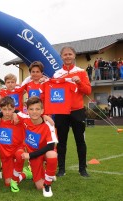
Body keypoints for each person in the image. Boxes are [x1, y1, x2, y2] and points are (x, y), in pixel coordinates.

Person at [53, 46, 92, 177]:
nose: (68, 56)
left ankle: (82, 169)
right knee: (61, 142)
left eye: (70, 54)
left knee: (80, 140)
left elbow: (88, 91)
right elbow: (52, 92)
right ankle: (61, 169)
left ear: (74, 56)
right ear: (61, 57)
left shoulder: (81, 72)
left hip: (77, 111)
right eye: (65, 54)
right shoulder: (57, 74)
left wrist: (79, 82)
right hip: (61, 112)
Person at [20, 96, 58, 197]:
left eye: (37, 109)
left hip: (44, 152)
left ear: (42, 111)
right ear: (27, 110)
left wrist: (30, 155)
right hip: (34, 156)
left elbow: (50, 146)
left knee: (52, 154)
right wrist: (0, 115)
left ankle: (48, 184)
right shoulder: (24, 119)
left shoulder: (48, 124)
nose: (34, 112)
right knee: (38, 186)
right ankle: (47, 174)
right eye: (31, 109)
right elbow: (10, 111)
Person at [0, 96, 32, 192]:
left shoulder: (19, 118)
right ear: (0, 109)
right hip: (5, 154)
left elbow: (32, 116)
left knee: (20, 155)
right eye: (4, 109)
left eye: (10, 109)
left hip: (17, 148)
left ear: (14, 108)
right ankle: (25, 173)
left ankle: (16, 178)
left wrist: (16, 113)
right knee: (7, 183)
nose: (7, 112)